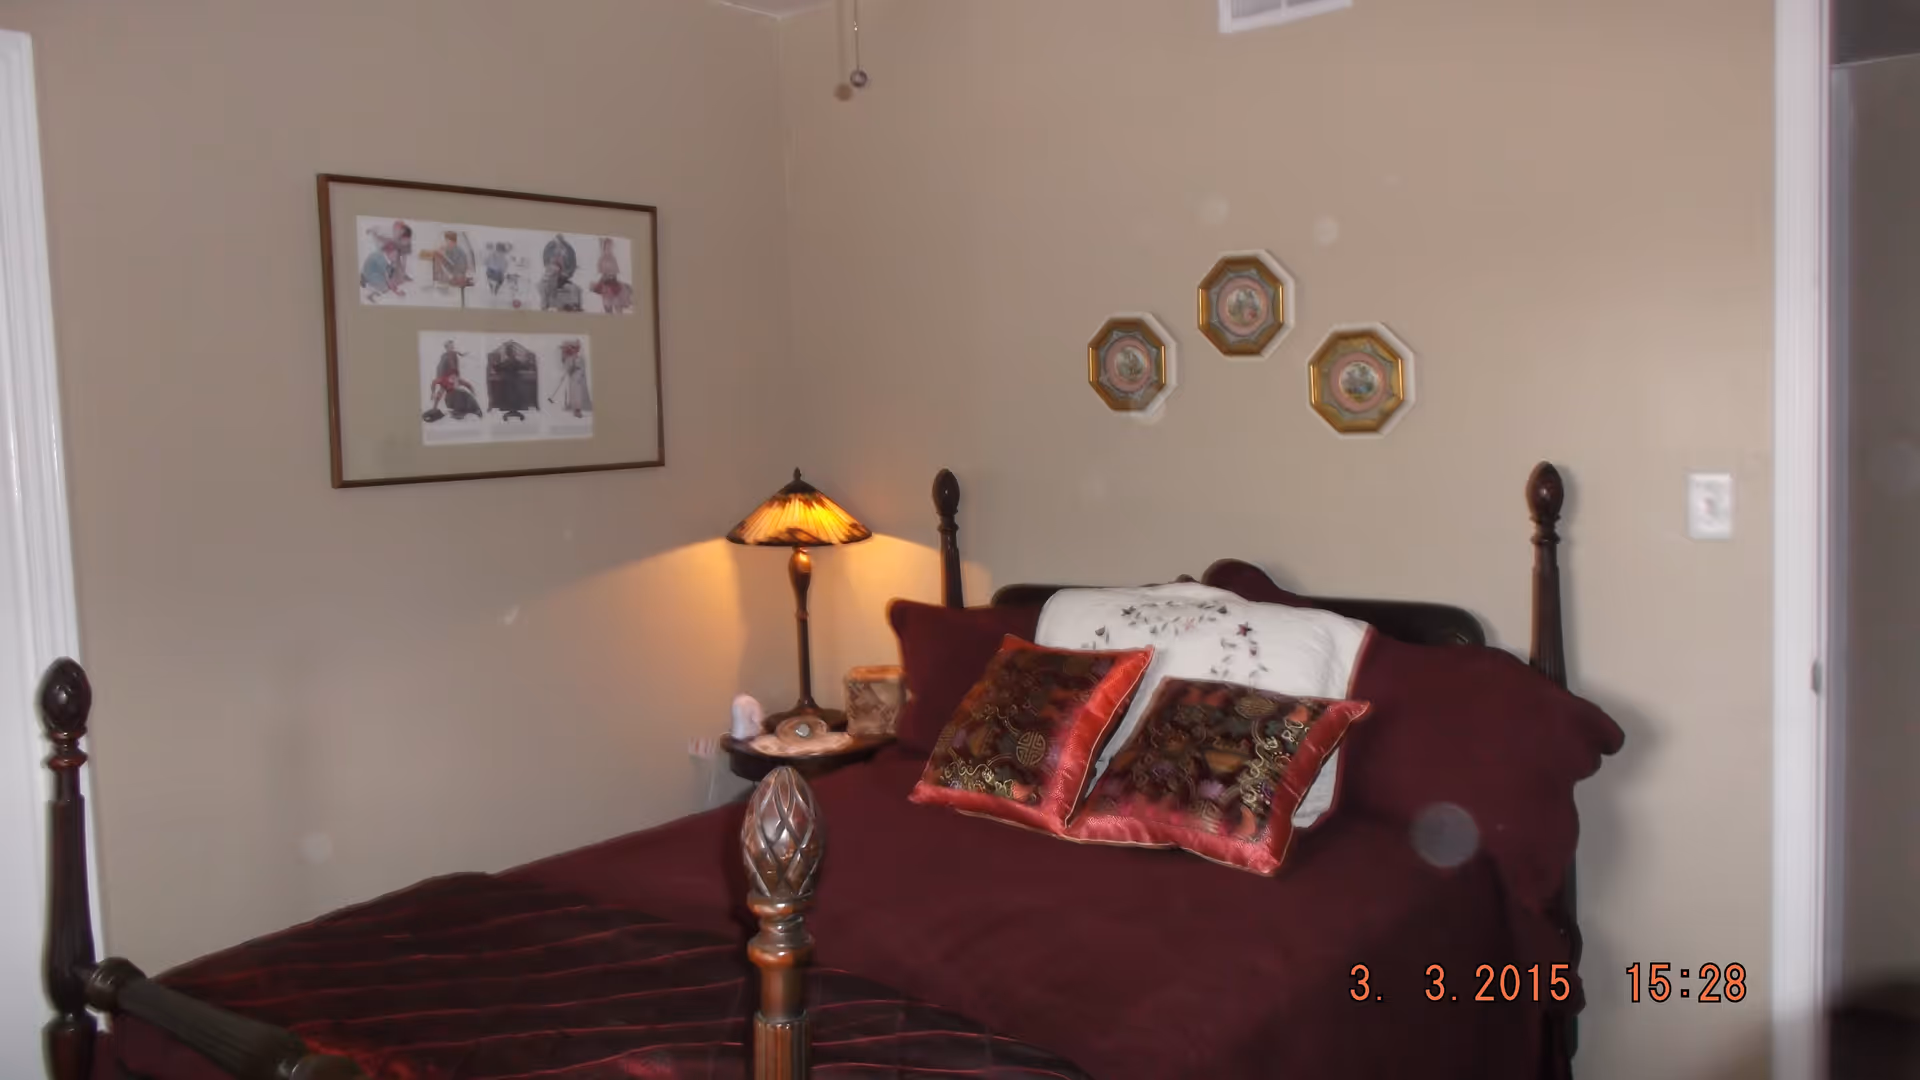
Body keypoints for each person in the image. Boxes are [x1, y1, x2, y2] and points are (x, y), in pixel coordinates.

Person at [589, 237, 631, 314]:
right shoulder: (601, 259)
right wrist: (606, 275)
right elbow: (600, 271)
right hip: (605, 283)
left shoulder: (613, 258)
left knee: (619, 297)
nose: (609, 249)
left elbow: (616, 271)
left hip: (613, 282)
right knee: (607, 304)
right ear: (604, 248)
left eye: (610, 247)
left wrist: (612, 275)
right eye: (607, 247)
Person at [555, 339, 591, 418]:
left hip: (577, 377)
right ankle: (574, 408)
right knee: (571, 392)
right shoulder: (568, 357)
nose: (565, 350)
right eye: (565, 349)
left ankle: (577, 410)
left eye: (569, 348)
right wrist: (568, 370)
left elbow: (576, 367)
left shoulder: (578, 357)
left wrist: (572, 368)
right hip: (572, 376)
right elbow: (567, 367)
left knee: (576, 393)